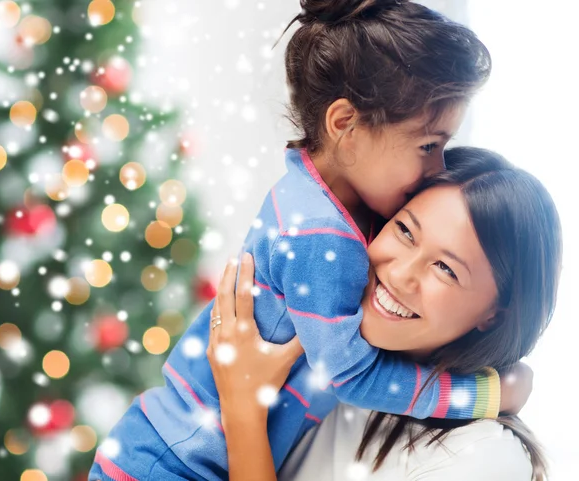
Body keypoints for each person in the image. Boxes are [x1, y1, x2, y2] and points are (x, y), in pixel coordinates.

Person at [89, 2, 531, 480]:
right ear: (345, 125)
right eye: (428, 145)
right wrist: (484, 394)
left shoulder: (310, 194)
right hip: (171, 464)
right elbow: (352, 375)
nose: (438, 167)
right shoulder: (324, 237)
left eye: (445, 267)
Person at [208, 147, 561, 481]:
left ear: (494, 316)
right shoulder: (328, 347)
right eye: (405, 230)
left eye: (445, 268)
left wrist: (242, 411)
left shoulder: (485, 457)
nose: (400, 274)